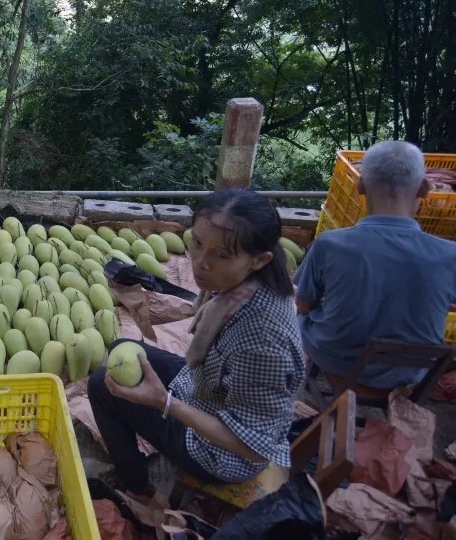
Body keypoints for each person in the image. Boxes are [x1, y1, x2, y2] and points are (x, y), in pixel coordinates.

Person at [88, 188, 306, 509]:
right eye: (197, 243)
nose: (200, 264)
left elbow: (252, 447)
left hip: (221, 456)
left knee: (99, 387)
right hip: (207, 394)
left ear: (259, 260)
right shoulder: (238, 289)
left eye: (222, 255)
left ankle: (136, 487)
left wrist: (164, 402)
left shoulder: (262, 340)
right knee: (124, 346)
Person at [295, 140, 456, 391]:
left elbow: (303, 304)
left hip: (335, 361)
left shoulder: (329, 244)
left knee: (294, 310)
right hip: (410, 373)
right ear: (424, 189)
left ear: (360, 186)